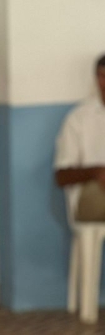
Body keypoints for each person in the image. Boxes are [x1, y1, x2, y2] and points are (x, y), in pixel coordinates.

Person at [54, 54, 105, 220]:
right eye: (102, 76)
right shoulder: (78, 119)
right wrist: (96, 172)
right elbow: (61, 177)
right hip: (93, 193)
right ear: (96, 78)